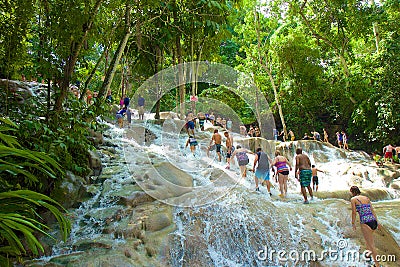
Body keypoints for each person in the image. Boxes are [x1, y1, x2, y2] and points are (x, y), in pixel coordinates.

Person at [350, 186, 379, 267]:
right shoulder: (366, 198)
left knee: (371, 244)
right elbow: (372, 210)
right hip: (373, 221)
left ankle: (377, 264)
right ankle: (368, 258)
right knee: (367, 241)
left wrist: (353, 223)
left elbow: (354, 213)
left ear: (352, 192)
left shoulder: (353, 199)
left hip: (365, 221)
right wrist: (377, 222)